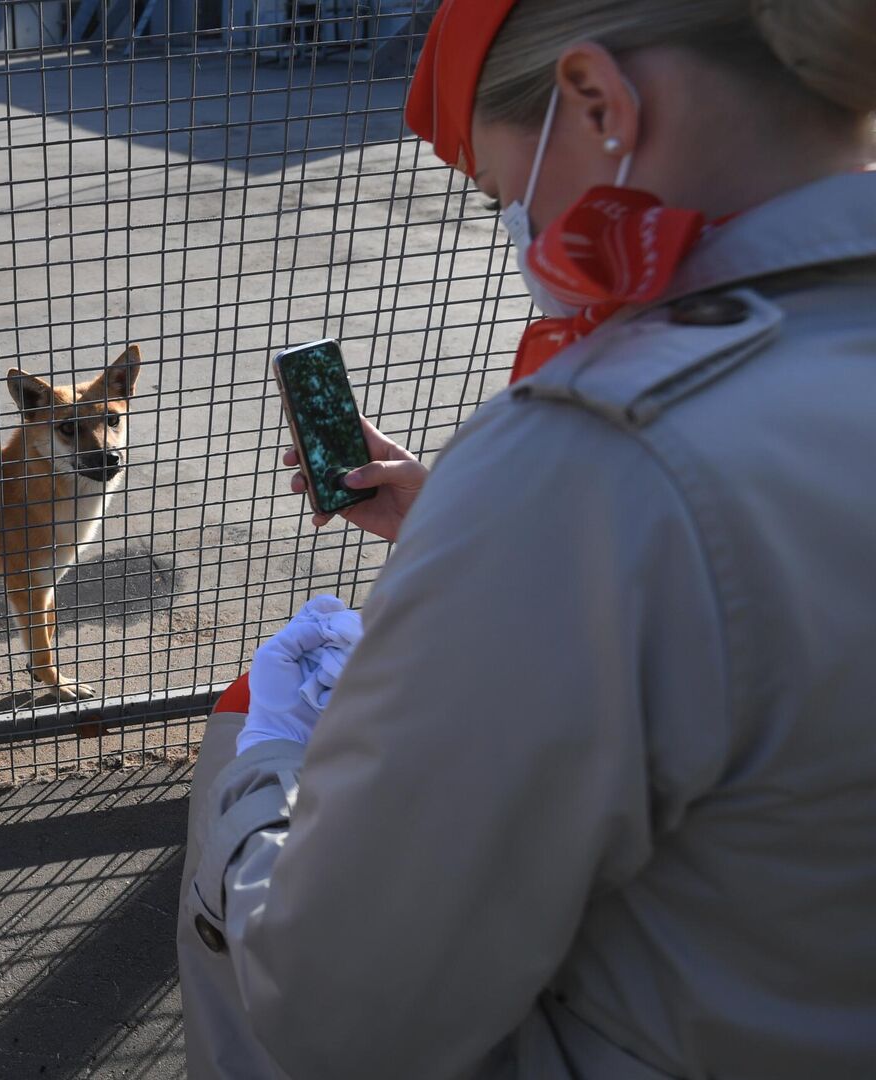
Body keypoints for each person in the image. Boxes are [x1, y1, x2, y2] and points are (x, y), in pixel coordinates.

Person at [178, 0, 876, 1076]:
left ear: (599, 105)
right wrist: (451, 523)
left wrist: (267, 765)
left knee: (247, 732)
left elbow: (339, 1008)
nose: (516, 235)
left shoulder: (593, 462)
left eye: (503, 194)